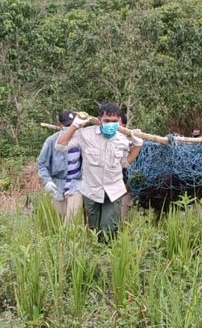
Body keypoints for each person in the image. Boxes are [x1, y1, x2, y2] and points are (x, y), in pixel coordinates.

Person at [55, 102, 143, 241]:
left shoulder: (122, 140)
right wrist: (75, 125)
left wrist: (137, 146)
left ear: (119, 121)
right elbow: (60, 146)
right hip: (91, 191)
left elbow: (125, 163)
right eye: (107, 121)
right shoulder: (85, 135)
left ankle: (108, 258)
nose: (110, 124)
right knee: (93, 231)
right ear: (99, 119)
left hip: (114, 191)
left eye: (114, 121)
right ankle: (95, 258)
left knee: (108, 230)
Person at [37, 110, 83, 223]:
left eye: (71, 124)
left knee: (71, 220)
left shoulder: (82, 139)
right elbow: (42, 163)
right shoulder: (52, 141)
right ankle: (62, 240)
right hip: (58, 186)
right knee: (59, 219)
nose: (69, 127)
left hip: (76, 184)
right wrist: (47, 181)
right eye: (66, 125)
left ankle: (71, 238)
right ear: (60, 124)